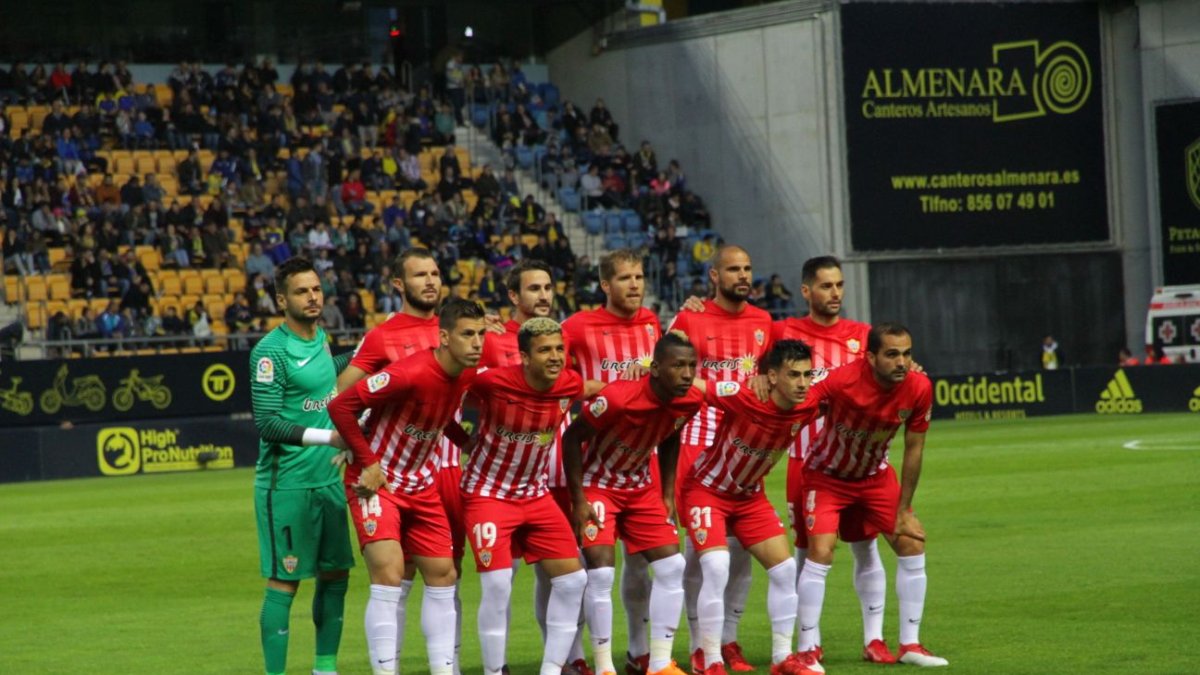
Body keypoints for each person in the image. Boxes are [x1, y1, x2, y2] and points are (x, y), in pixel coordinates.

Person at [327, 299, 489, 675]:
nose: (478, 342)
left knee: (444, 574)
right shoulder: (409, 372)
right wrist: (368, 462)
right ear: (445, 337)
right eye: (468, 334)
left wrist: (468, 445)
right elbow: (342, 408)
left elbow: (440, 417)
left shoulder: (465, 375)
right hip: (378, 482)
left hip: (421, 482)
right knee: (389, 572)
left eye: (480, 333)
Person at [794, 324, 948, 673]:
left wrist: (904, 509)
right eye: (892, 354)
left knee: (911, 543)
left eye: (907, 353)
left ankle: (909, 643)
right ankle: (805, 650)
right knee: (820, 552)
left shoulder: (919, 387)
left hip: (874, 478)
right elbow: (801, 404)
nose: (902, 362)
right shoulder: (841, 381)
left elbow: (914, 448)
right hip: (827, 476)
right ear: (870, 357)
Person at [458, 318, 604, 675]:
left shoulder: (568, 382)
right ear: (523, 356)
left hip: (535, 495)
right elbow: (445, 387)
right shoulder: (492, 381)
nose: (555, 357)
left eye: (559, 349)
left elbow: (595, 388)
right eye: (544, 350)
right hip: (487, 493)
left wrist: (636, 378)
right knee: (496, 583)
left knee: (573, 581)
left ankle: (551, 670)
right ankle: (495, 671)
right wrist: (457, 438)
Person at [562, 332, 704, 675]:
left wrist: (667, 492)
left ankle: (658, 663)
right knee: (601, 572)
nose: (687, 374)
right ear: (655, 369)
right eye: (678, 366)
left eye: (691, 367)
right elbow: (571, 438)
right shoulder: (618, 399)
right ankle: (603, 665)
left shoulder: (690, 400)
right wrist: (579, 500)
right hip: (599, 486)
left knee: (672, 567)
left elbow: (671, 435)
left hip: (640, 489)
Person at [769, 256, 887, 662]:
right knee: (806, 552)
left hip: (855, 463)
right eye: (825, 286)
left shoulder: (862, 336)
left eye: (839, 285)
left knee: (865, 547)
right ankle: (808, 643)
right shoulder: (782, 332)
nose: (835, 293)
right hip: (804, 461)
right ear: (806, 291)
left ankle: (874, 638)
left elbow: (888, 375)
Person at [335, 246, 446, 666]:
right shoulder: (383, 336)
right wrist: (353, 442)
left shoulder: (453, 332)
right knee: (390, 574)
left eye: (435, 273)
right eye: (420, 275)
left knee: (444, 574)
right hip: (385, 468)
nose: (431, 281)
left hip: (435, 467)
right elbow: (344, 392)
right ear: (399, 284)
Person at [681, 340, 819, 675]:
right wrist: (644, 369)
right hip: (706, 491)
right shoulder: (744, 396)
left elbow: (853, 382)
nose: (802, 383)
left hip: (749, 497)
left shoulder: (812, 402)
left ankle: (782, 658)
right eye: (793, 375)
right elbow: (691, 384)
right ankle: (709, 659)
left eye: (807, 375)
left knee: (785, 570)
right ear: (771, 376)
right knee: (715, 566)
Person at [669, 245, 773, 673]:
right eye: (733, 269)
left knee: (741, 550)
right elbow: (668, 370)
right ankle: (699, 644)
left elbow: (771, 375)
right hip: (696, 442)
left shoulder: (764, 322)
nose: (743, 275)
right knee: (701, 552)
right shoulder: (690, 318)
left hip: (744, 448)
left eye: (747, 268)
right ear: (714, 276)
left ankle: (729, 640)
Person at [249, 256, 355, 675]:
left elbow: (327, 374)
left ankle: (324, 668)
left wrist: (368, 352)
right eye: (301, 291)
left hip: (328, 480)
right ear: (281, 300)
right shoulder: (269, 353)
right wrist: (329, 436)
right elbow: (268, 423)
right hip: (287, 485)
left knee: (335, 577)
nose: (313, 297)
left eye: (316, 289)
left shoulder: (320, 338)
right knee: (285, 583)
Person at [562, 248, 664, 674]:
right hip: (593, 460)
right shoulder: (579, 327)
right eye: (625, 278)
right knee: (593, 567)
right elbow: (551, 375)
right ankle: (582, 655)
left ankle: (639, 651)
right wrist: (586, 388)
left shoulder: (651, 323)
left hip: (644, 458)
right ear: (605, 285)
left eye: (639, 276)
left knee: (642, 563)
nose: (635, 285)